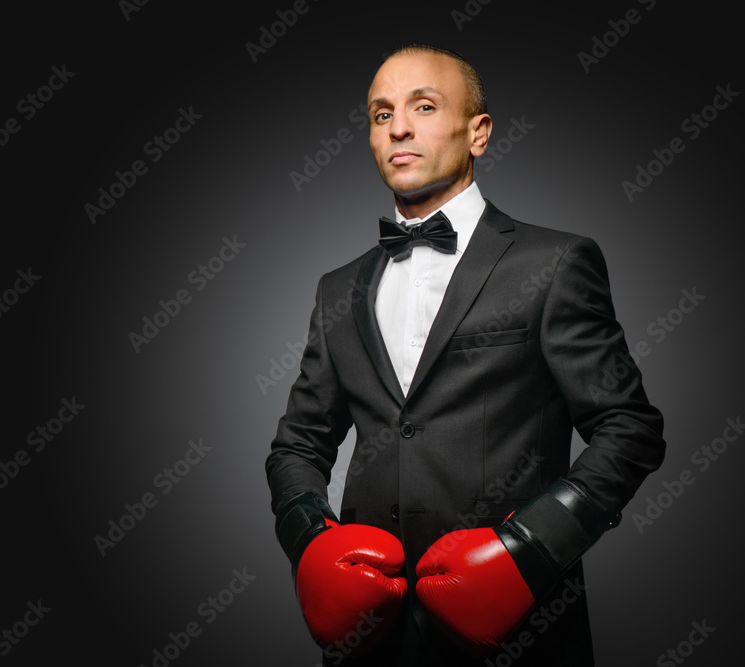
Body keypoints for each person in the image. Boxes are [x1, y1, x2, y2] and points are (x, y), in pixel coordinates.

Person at [265, 43, 666, 666]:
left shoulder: (555, 263)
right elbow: (296, 445)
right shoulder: (337, 288)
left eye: (424, 106)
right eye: (381, 114)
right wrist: (309, 541)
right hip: (368, 640)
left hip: (520, 631)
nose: (398, 127)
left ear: (478, 133)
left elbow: (629, 428)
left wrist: (532, 549)